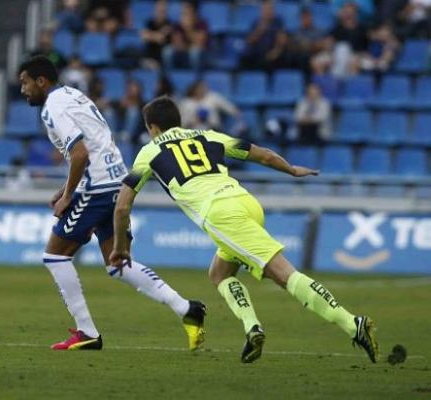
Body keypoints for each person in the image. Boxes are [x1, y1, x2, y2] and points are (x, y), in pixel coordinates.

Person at [109, 96, 379, 364]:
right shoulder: (209, 136)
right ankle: (252, 328)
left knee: (284, 275)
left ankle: (353, 324)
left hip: (221, 215)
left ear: (152, 127)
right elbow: (263, 154)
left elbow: (122, 207)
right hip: (246, 202)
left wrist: (120, 247)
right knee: (219, 273)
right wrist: (292, 169)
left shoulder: (150, 151)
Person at [18, 56, 205, 351]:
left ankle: (87, 332)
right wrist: (66, 187)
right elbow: (94, 144)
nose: (23, 90)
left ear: (41, 81)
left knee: (55, 256)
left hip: (96, 189)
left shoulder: (53, 107)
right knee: (117, 264)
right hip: (116, 182)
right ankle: (186, 308)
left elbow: (80, 154)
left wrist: (69, 196)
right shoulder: (75, 96)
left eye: (25, 82)